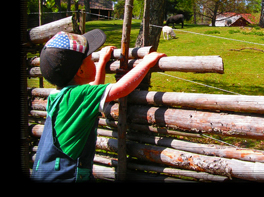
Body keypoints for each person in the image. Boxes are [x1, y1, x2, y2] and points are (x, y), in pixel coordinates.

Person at [31, 29, 166, 182]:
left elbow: (92, 95)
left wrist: (101, 62)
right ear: (80, 71)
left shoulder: (57, 96)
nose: (92, 60)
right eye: (89, 58)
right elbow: (121, 89)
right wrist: (146, 63)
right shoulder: (79, 95)